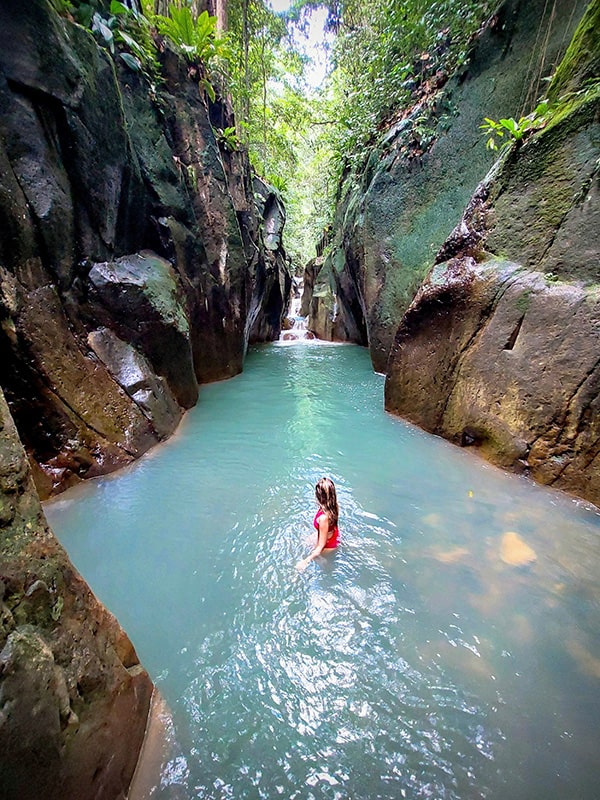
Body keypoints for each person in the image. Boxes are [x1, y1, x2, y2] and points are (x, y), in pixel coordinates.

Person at [296, 477, 340, 572]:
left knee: (311, 554)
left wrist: (306, 561)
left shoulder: (324, 518)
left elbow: (321, 546)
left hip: (328, 545)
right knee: (303, 542)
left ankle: (325, 563)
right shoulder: (334, 505)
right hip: (332, 536)